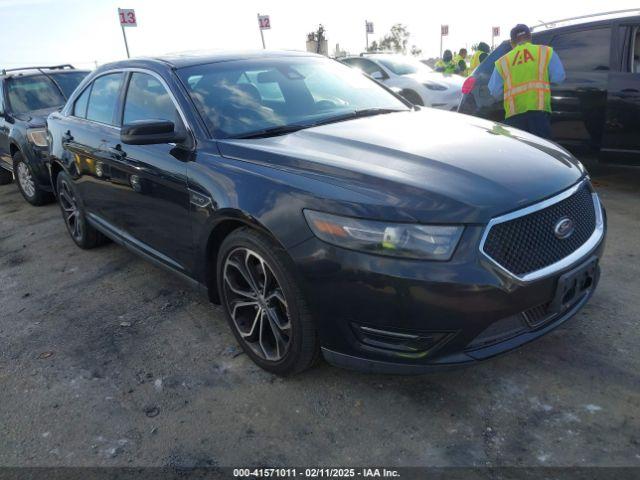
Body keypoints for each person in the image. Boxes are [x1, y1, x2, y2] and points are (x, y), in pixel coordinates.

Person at [488, 24, 565, 139]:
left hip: (514, 118)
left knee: (519, 154)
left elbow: (495, 91)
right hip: (539, 115)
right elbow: (559, 78)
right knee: (541, 153)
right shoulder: (545, 52)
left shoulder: (502, 62)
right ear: (530, 38)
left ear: (511, 42)